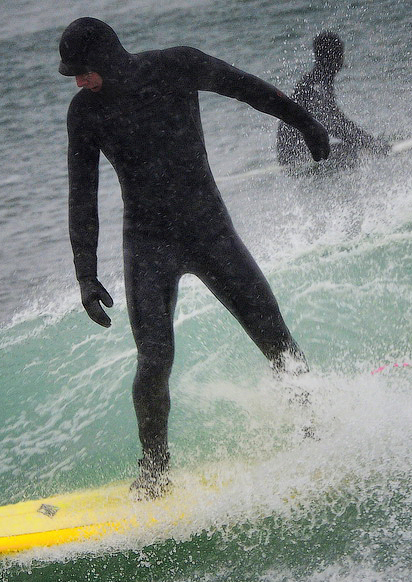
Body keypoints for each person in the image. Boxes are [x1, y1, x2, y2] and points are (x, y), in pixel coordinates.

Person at [58, 17, 330, 499]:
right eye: (72, 74)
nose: (78, 81)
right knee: (155, 358)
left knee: (274, 336)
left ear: (104, 58)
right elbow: (84, 194)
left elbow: (250, 90)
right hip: (146, 244)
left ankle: (316, 436)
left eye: (82, 70)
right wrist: (85, 272)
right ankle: (155, 468)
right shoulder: (86, 113)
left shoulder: (177, 66)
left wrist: (306, 123)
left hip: (210, 232)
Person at [276, 31, 389, 168]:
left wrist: (367, 140)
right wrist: (370, 143)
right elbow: (331, 122)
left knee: (352, 148)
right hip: (295, 156)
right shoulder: (316, 84)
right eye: (338, 53)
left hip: (297, 152)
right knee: (352, 152)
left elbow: (334, 119)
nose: (341, 58)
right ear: (328, 56)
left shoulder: (315, 81)